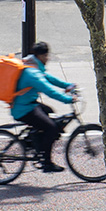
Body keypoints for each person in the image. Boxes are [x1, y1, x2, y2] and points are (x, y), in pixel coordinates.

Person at [11, 41, 76, 172]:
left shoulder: (33, 65)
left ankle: (33, 140)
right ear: (40, 56)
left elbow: (49, 78)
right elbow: (48, 90)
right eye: (46, 56)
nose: (48, 58)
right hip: (23, 109)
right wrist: (67, 99)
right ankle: (46, 163)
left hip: (27, 104)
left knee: (49, 111)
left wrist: (67, 85)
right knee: (51, 128)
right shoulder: (32, 74)